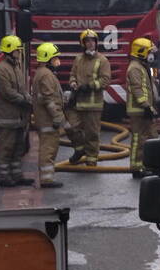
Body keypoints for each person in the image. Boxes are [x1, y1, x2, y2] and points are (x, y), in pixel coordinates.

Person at [0, 34, 34, 188]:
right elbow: (7, 93)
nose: (19, 52)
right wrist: (25, 101)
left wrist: (29, 98)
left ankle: (17, 175)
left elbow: (22, 89)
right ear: (9, 50)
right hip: (7, 116)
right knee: (6, 148)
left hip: (19, 117)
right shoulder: (1, 69)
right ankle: (4, 177)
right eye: (17, 50)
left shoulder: (16, 66)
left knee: (19, 147)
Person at [67, 29, 111, 167]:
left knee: (92, 133)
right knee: (70, 127)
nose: (90, 44)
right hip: (78, 102)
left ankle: (91, 158)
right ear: (83, 43)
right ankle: (80, 149)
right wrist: (73, 83)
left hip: (94, 104)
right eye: (87, 41)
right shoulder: (78, 59)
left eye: (93, 41)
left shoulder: (102, 60)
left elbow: (105, 80)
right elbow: (72, 75)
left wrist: (90, 86)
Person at [31, 42, 69, 187]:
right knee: (48, 149)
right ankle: (47, 179)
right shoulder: (46, 75)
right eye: (55, 58)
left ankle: (47, 177)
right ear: (47, 59)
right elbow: (49, 99)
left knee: (49, 147)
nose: (57, 61)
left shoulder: (43, 73)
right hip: (48, 120)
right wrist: (57, 116)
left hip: (45, 119)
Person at [125, 35, 158, 178]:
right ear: (141, 52)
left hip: (144, 109)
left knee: (152, 137)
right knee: (138, 139)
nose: (151, 55)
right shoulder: (135, 69)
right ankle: (136, 167)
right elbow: (138, 89)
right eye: (149, 52)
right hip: (138, 110)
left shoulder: (142, 67)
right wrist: (146, 106)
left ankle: (151, 165)